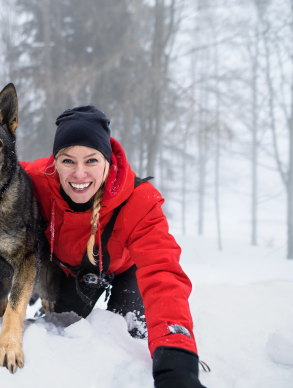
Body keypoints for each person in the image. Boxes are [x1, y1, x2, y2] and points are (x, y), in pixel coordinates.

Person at [21, 106, 206, 388]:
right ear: (54, 162)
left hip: (126, 269)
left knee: (128, 335)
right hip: (72, 272)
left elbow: (163, 274)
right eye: (68, 161)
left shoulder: (139, 201)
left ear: (107, 162)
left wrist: (177, 363)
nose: (79, 174)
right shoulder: (37, 179)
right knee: (62, 332)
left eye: (91, 160)